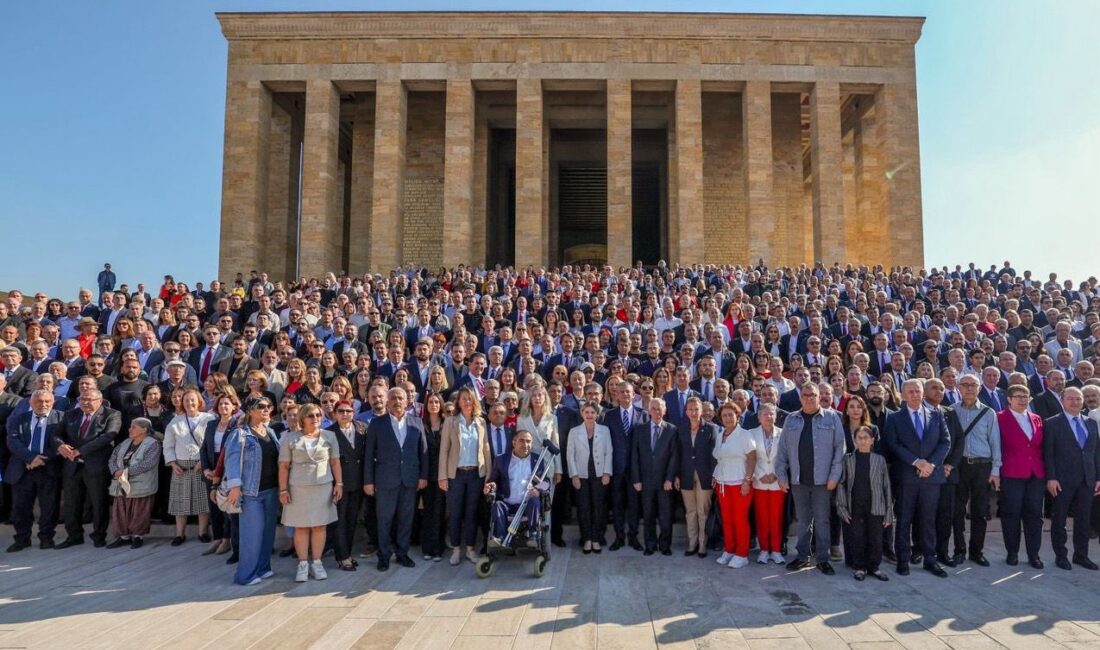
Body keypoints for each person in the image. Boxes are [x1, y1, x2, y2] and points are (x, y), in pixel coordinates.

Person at [775, 382, 845, 575]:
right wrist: (781, 475)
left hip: (823, 481)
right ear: (800, 398)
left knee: (822, 520)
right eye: (805, 395)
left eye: (812, 395)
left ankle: (822, 559)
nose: (808, 398)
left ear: (819, 396)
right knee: (804, 520)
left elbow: (840, 449)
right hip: (799, 480)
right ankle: (802, 556)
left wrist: (834, 476)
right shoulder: (791, 419)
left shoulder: (832, 418)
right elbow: (782, 451)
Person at [883, 379, 950, 578]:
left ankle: (930, 558)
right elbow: (893, 444)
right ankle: (903, 560)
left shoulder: (936, 415)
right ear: (903, 395)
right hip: (906, 477)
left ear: (923, 393)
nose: (914, 394)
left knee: (929, 520)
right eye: (910, 391)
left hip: (931, 476)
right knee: (904, 519)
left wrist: (930, 464)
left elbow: (945, 442)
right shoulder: (895, 418)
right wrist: (916, 462)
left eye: (917, 391)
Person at [363, 386, 428, 572]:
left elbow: (423, 452)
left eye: (401, 398)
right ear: (387, 402)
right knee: (384, 520)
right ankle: (383, 556)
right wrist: (368, 481)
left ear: (407, 401)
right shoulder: (377, 424)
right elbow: (369, 455)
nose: (397, 401)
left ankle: (402, 553)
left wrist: (423, 476)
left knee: (406, 519)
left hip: (409, 480)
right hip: (385, 481)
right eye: (393, 398)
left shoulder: (417, 422)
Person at [279, 403, 342, 582]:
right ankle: (303, 564)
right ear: (302, 418)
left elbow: (335, 462)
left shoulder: (330, 436)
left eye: (318, 415)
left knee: (320, 525)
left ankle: (317, 562)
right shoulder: (291, 438)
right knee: (301, 526)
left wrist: (340, 484)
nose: (315, 419)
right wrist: (283, 489)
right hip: (298, 488)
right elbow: (283, 466)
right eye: (311, 416)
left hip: (323, 487)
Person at [53, 389, 121, 548]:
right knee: (71, 503)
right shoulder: (70, 414)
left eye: (89, 399)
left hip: (96, 466)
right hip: (72, 466)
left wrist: (79, 451)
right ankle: (74, 536)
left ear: (100, 400)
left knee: (98, 502)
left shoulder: (112, 414)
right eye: (82, 399)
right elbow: (55, 434)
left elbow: (108, 436)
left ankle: (99, 536)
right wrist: (61, 445)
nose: (85, 402)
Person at [945, 373, 1000, 567]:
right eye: (965, 385)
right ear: (958, 388)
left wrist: (996, 470)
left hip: (982, 466)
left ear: (979, 388)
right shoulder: (951, 410)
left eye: (973, 385)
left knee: (979, 511)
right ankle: (959, 550)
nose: (969, 389)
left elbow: (995, 442)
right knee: (957, 511)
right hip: (958, 466)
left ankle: (977, 551)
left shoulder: (988, 412)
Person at [1042, 387, 1100, 570]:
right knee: (1059, 520)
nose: (1075, 402)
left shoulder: (1091, 423)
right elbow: (1048, 454)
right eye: (1071, 398)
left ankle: (1081, 555)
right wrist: (1051, 478)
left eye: (1078, 398)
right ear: (1062, 400)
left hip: (1087, 480)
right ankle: (1061, 556)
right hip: (1062, 480)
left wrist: (1098, 477)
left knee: (1083, 520)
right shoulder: (1052, 423)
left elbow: (1095, 452)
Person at [225, 396, 280, 585]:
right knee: (252, 534)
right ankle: (245, 575)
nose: (267, 410)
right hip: (251, 492)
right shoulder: (239, 434)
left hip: (272, 489)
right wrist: (235, 486)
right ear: (250, 411)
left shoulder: (271, 432)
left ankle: (263, 568)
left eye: (269, 407)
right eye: (262, 407)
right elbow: (231, 460)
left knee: (267, 533)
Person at [5, 390, 64, 551]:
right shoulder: (19, 419)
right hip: (23, 469)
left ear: (53, 402)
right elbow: (12, 440)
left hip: (49, 469)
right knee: (20, 507)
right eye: (38, 401)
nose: (43, 404)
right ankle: (22, 539)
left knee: (49, 507)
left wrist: (42, 459)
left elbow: (61, 443)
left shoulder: (61, 418)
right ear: (31, 403)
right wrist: (30, 458)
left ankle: (46, 538)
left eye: (47, 401)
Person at [439, 386, 491, 565]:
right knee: (455, 512)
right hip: (456, 475)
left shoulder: (481, 422)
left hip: (476, 474)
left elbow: (486, 449)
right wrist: (442, 476)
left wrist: (488, 474)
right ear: (458, 402)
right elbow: (444, 450)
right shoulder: (451, 422)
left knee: (471, 513)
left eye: (470, 398)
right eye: (463, 399)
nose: (467, 402)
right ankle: (456, 549)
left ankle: (470, 548)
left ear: (474, 401)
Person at [835, 425, 893, 581]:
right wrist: (842, 508)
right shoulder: (848, 459)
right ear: (854, 440)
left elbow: (886, 486)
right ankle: (860, 567)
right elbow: (842, 484)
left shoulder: (879, 460)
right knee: (858, 536)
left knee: (876, 537)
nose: (862, 441)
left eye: (866, 438)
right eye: (859, 438)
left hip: (876, 505)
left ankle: (874, 566)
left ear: (872, 440)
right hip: (855, 505)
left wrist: (889, 512)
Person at [998, 384, 1046, 568]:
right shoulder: (1000, 418)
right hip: (1012, 472)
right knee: (1011, 513)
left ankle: (1034, 554)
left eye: (1025, 396)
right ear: (1009, 399)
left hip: (1036, 473)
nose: (1022, 399)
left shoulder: (1036, 418)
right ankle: (1012, 552)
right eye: (1018, 396)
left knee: (1034, 514)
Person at [162, 387, 216, 546]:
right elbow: (168, 445)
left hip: (202, 464)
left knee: (202, 501)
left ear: (199, 401)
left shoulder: (209, 419)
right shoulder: (175, 421)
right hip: (181, 465)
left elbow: (211, 444)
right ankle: (179, 534)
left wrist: (203, 461)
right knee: (180, 501)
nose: (189, 403)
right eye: (186, 400)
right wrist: (172, 463)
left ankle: (203, 532)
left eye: (192, 400)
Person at [484, 429, 549, 544]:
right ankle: (500, 538)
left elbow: (546, 482)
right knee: (497, 505)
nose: (525, 445)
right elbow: (494, 480)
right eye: (522, 441)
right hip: (507, 503)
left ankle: (532, 535)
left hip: (527, 505)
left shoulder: (537, 460)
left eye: (528, 441)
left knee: (535, 501)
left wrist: (538, 490)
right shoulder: (501, 460)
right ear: (514, 442)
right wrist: (492, 485)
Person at [105, 418, 162, 549]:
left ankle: (137, 536)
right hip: (121, 481)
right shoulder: (125, 442)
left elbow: (147, 464)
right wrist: (115, 471)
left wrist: (125, 471)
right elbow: (113, 458)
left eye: (134, 427)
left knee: (139, 510)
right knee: (120, 510)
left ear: (144, 429)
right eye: (131, 426)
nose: (130, 429)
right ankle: (124, 537)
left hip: (141, 482)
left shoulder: (153, 444)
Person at [632, 398, 678, 556]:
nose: (657, 412)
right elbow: (635, 457)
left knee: (666, 516)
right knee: (648, 515)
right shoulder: (639, 429)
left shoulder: (672, 430)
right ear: (649, 410)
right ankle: (650, 545)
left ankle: (665, 545)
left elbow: (674, 457)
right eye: (653, 409)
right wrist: (636, 479)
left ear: (664, 411)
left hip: (664, 482)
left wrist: (669, 479)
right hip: (645, 481)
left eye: (659, 409)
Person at [712, 401, 755, 567]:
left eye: (731, 414)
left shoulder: (745, 435)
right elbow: (720, 457)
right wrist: (716, 476)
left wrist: (747, 480)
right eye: (724, 415)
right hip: (722, 482)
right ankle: (729, 550)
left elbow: (752, 458)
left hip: (740, 482)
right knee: (727, 519)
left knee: (740, 519)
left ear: (737, 416)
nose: (728, 418)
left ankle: (742, 554)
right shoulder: (721, 434)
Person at [605, 381, 646, 551]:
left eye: (628, 392)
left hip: (636, 470)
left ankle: (633, 537)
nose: (625, 395)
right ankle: (619, 537)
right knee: (617, 505)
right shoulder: (609, 415)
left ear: (634, 394)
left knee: (635, 506)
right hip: (616, 469)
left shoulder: (643, 414)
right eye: (621, 392)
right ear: (616, 395)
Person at [326, 399, 367, 571]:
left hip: (358, 482)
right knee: (340, 521)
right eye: (341, 411)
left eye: (348, 411)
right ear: (335, 414)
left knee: (351, 520)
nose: (345, 414)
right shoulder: (328, 433)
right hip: (339, 483)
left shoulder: (362, 428)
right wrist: (336, 483)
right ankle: (342, 557)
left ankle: (347, 553)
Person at [675, 396, 717, 557]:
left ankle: (702, 544)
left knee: (702, 511)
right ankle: (692, 543)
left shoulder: (711, 429)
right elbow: (677, 454)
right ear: (686, 412)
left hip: (704, 475)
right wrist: (676, 475)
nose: (693, 412)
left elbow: (714, 455)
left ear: (701, 411)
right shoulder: (681, 429)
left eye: (696, 409)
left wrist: (714, 474)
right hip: (685, 474)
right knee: (690, 511)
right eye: (690, 409)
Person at [568, 402, 612, 553]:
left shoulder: (605, 430)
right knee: (584, 507)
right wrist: (574, 475)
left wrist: (607, 473)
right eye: (586, 412)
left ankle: (596, 538)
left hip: (599, 474)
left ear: (597, 414)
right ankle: (586, 538)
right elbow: (570, 455)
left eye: (592, 412)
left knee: (598, 507)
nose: (589, 415)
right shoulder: (574, 432)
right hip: (581, 475)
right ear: (582, 413)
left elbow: (609, 452)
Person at [201, 395, 238, 556]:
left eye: (227, 404)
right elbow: (203, 448)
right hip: (211, 467)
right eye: (221, 404)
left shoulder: (236, 425)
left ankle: (226, 539)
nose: (223, 406)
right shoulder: (211, 424)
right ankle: (217, 538)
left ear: (233, 407)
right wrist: (205, 469)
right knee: (214, 505)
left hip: (227, 468)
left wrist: (219, 471)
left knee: (227, 506)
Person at [418, 391, 447, 563]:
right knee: (427, 512)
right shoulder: (421, 424)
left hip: (443, 474)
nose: (434, 404)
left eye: (437, 402)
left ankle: (438, 549)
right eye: (431, 402)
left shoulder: (447, 424)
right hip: (426, 475)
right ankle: (427, 548)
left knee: (440, 512)